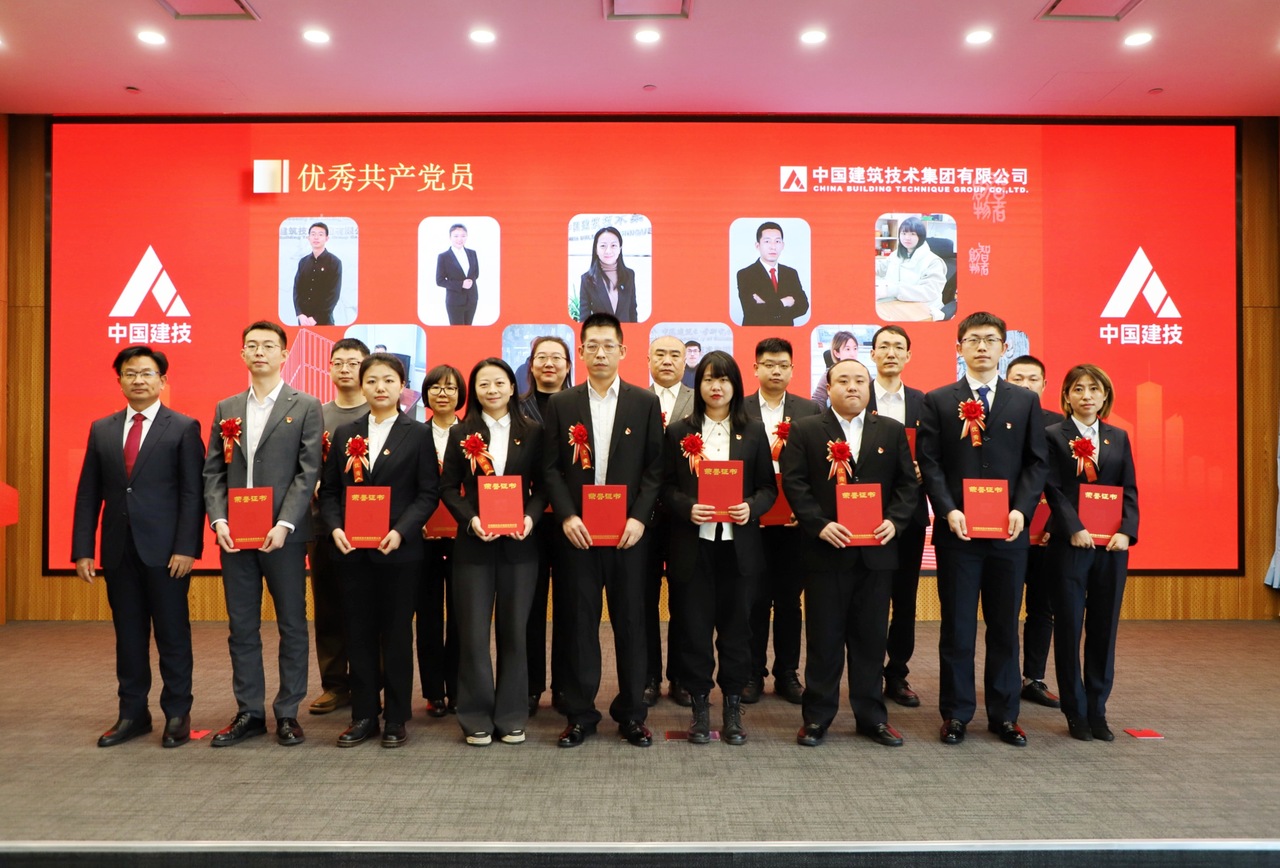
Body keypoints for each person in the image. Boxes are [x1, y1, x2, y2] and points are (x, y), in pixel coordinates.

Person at [917, 311, 1048, 747]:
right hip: (958, 535)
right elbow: (930, 463)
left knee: (1004, 626)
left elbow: (1036, 462)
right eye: (973, 340)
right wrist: (947, 510)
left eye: (990, 340)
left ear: (1004, 348)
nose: (982, 347)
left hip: (1008, 534)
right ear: (959, 347)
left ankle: (1005, 715)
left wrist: (1022, 509)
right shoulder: (938, 400)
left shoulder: (1024, 401)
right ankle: (956, 714)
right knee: (957, 628)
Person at [541, 312, 664, 747]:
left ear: (623, 351)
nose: (599, 353)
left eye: (608, 345)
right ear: (580, 351)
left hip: (629, 534)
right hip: (578, 534)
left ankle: (632, 714)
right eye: (591, 345)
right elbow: (550, 468)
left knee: (632, 622)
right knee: (578, 623)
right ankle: (580, 715)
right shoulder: (562, 404)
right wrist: (567, 515)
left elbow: (655, 468)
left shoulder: (644, 402)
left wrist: (639, 518)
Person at [72, 346, 205, 748]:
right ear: (120, 381)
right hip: (118, 550)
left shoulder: (183, 427)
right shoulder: (102, 429)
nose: (138, 380)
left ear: (162, 380)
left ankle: (177, 713)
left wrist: (187, 547)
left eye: (147, 373)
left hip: (167, 554)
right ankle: (132, 713)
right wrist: (83, 548)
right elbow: (88, 493)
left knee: (172, 634)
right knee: (128, 635)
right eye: (130, 374)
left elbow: (192, 494)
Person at [781, 359, 918, 747]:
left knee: (871, 639)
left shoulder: (889, 430)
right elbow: (795, 483)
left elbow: (907, 485)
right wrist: (819, 524)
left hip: (876, 553)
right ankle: (817, 717)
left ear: (869, 388)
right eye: (843, 380)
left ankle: (871, 717)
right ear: (829, 388)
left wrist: (895, 522)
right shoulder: (807, 429)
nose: (852, 387)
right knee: (824, 640)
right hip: (827, 551)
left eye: (860, 380)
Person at [203, 321, 323, 747]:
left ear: (284, 354)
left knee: (292, 624)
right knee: (242, 626)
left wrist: (285, 523)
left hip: (283, 535)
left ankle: (288, 712)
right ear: (241, 354)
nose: (259, 352)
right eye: (251, 345)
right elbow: (213, 472)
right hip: (235, 536)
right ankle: (249, 712)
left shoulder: (305, 405)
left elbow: (308, 472)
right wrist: (218, 520)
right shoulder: (227, 407)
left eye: (268, 345)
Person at [319, 353, 439, 748]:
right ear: (362, 385)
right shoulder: (345, 433)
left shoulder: (417, 433)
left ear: (402, 386)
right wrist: (335, 527)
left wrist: (402, 531)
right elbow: (331, 491)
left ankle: (397, 717)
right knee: (359, 633)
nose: (380, 387)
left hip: (398, 552)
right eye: (372, 381)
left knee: (397, 634)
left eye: (388, 380)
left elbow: (427, 493)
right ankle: (364, 715)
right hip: (352, 551)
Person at [662, 351, 776, 744]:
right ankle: (699, 708)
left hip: (738, 549)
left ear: (736, 386)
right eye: (709, 379)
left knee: (736, 631)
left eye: (724, 379)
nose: (716, 386)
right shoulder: (679, 431)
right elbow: (665, 487)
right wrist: (687, 507)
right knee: (693, 631)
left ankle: (732, 707)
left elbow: (768, 488)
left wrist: (752, 507)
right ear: (699, 386)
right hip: (693, 547)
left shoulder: (753, 431)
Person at [441, 358, 546, 745]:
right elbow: (448, 487)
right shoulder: (460, 433)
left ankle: (512, 714)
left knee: (514, 631)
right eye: (483, 383)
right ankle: (475, 716)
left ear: (512, 387)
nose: (492, 390)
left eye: (499, 382)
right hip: (474, 546)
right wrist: (471, 520)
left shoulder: (532, 431)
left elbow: (543, 485)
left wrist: (530, 519)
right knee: (472, 633)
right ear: (475, 390)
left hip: (520, 545)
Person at [1044, 364, 1138, 742]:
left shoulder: (1119, 437)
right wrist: (1074, 527)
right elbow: (1052, 488)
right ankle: (1075, 710)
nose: (1086, 395)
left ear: (1105, 396)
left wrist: (1126, 531)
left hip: (1111, 547)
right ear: (1067, 396)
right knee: (1069, 627)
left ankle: (1098, 709)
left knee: (1104, 628)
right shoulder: (1053, 435)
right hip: (1071, 544)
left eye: (1094, 389)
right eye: (1078, 389)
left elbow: (1129, 488)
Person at [742, 337, 821, 705]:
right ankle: (752, 672)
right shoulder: (740, 409)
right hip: (751, 520)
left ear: (792, 369)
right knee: (754, 600)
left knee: (790, 602)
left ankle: (787, 673)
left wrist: (804, 510)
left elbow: (816, 467)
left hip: (794, 523)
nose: (776, 371)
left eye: (783, 365)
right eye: (769, 364)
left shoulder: (809, 410)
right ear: (755, 368)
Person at [307, 337, 370, 716]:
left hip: (371, 527)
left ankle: (372, 683)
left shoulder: (382, 411)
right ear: (329, 368)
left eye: (353, 362)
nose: (345, 369)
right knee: (329, 607)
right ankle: (335, 685)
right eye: (339, 362)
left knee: (371, 609)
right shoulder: (314, 415)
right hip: (322, 525)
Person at [868, 325, 929, 709]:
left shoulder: (925, 402)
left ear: (908, 355)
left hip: (909, 516)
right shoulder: (858, 394)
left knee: (904, 599)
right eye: (884, 346)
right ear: (872, 354)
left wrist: (923, 468)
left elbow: (936, 453)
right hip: (866, 514)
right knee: (870, 599)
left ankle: (898, 673)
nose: (891, 353)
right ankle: (869, 672)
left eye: (898, 347)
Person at [516, 337, 573, 716]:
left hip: (572, 519)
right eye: (542, 358)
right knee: (530, 607)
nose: (549, 363)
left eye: (557, 357)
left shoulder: (581, 406)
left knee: (570, 605)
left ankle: (565, 686)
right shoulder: (516, 408)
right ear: (531, 365)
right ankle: (531, 686)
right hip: (527, 520)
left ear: (568, 365)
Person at [1005, 354, 1064, 710]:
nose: (1026, 385)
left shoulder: (1059, 426)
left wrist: (1056, 525)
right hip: (1005, 529)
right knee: (1006, 609)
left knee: (1042, 608)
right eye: (1018, 379)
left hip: (1046, 534)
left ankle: (1034, 678)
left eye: (1032, 379)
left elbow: (1066, 486)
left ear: (1044, 385)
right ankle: (1007, 678)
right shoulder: (995, 420)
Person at [644, 335, 696, 707]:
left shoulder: (700, 401)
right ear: (648, 359)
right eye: (659, 354)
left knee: (686, 599)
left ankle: (681, 677)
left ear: (685, 361)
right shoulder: (634, 400)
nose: (667, 360)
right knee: (643, 599)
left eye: (674, 355)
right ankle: (648, 677)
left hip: (685, 516)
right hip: (643, 517)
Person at [417, 364, 466, 718]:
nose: (443, 393)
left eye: (450, 387)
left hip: (466, 535)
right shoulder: (413, 434)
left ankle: (460, 688)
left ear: (460, 394)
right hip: (422, 537)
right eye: (435, 387)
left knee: (463, 615)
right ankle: (434, 691)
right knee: (428, 615)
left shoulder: (473, 434)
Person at [736, 221, 810, 326]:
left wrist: (766, 305)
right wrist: (785, 302)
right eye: (767, 241)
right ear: (757, 245)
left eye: (777, 241)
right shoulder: (745, 274)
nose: (773, 247)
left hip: (785, 333)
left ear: (782, 245)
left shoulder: (790, 273)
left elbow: (803, 306)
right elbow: (752, 312)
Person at [875, 216, 947, 321]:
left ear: (921, 236)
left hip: (924, 310)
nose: (907, 238)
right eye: (904, 233)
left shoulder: (933, 261)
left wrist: (892, 290)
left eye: (912, 234)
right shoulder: (897, 254)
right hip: (898, 304)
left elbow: (929, 291)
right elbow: (881, 268)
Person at [576, 226, 637, 323]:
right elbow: (584, 318)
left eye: (613, 245)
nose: (608, 251)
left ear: (620, 249)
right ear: (596, 249)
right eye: (603, 246)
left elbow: (632, 311)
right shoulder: (587, 279)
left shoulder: (629, 275)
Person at [293, 221, 342, 326]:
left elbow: (334, 295)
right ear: (308, 238)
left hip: (324, 320)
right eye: (313, 234)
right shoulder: (303, 262)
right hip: (304, 321)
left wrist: (316, 318)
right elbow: (297, 289)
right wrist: (300, 314)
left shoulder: (334, 262)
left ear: (326, 238)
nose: (316, 237)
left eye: (320, 234)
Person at [436, 223, 480, 326]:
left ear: (467, 236)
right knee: (457, 332)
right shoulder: (443, 256)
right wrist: (461, 284)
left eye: (463, 236)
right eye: (456, 236)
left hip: (472, 299)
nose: (460, 239)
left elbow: (476, 274)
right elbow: (440, 281)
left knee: (469, 330)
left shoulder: (472, 253)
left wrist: (470, 282)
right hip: (455, 301)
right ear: (450, 237)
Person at [811, 330, 859, 406]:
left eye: (855, 348)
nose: (853, 354)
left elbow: (873, 392)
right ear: (837, 353)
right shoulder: (830, 373)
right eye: (847, 349)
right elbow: (817, 399)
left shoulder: (862, 371)